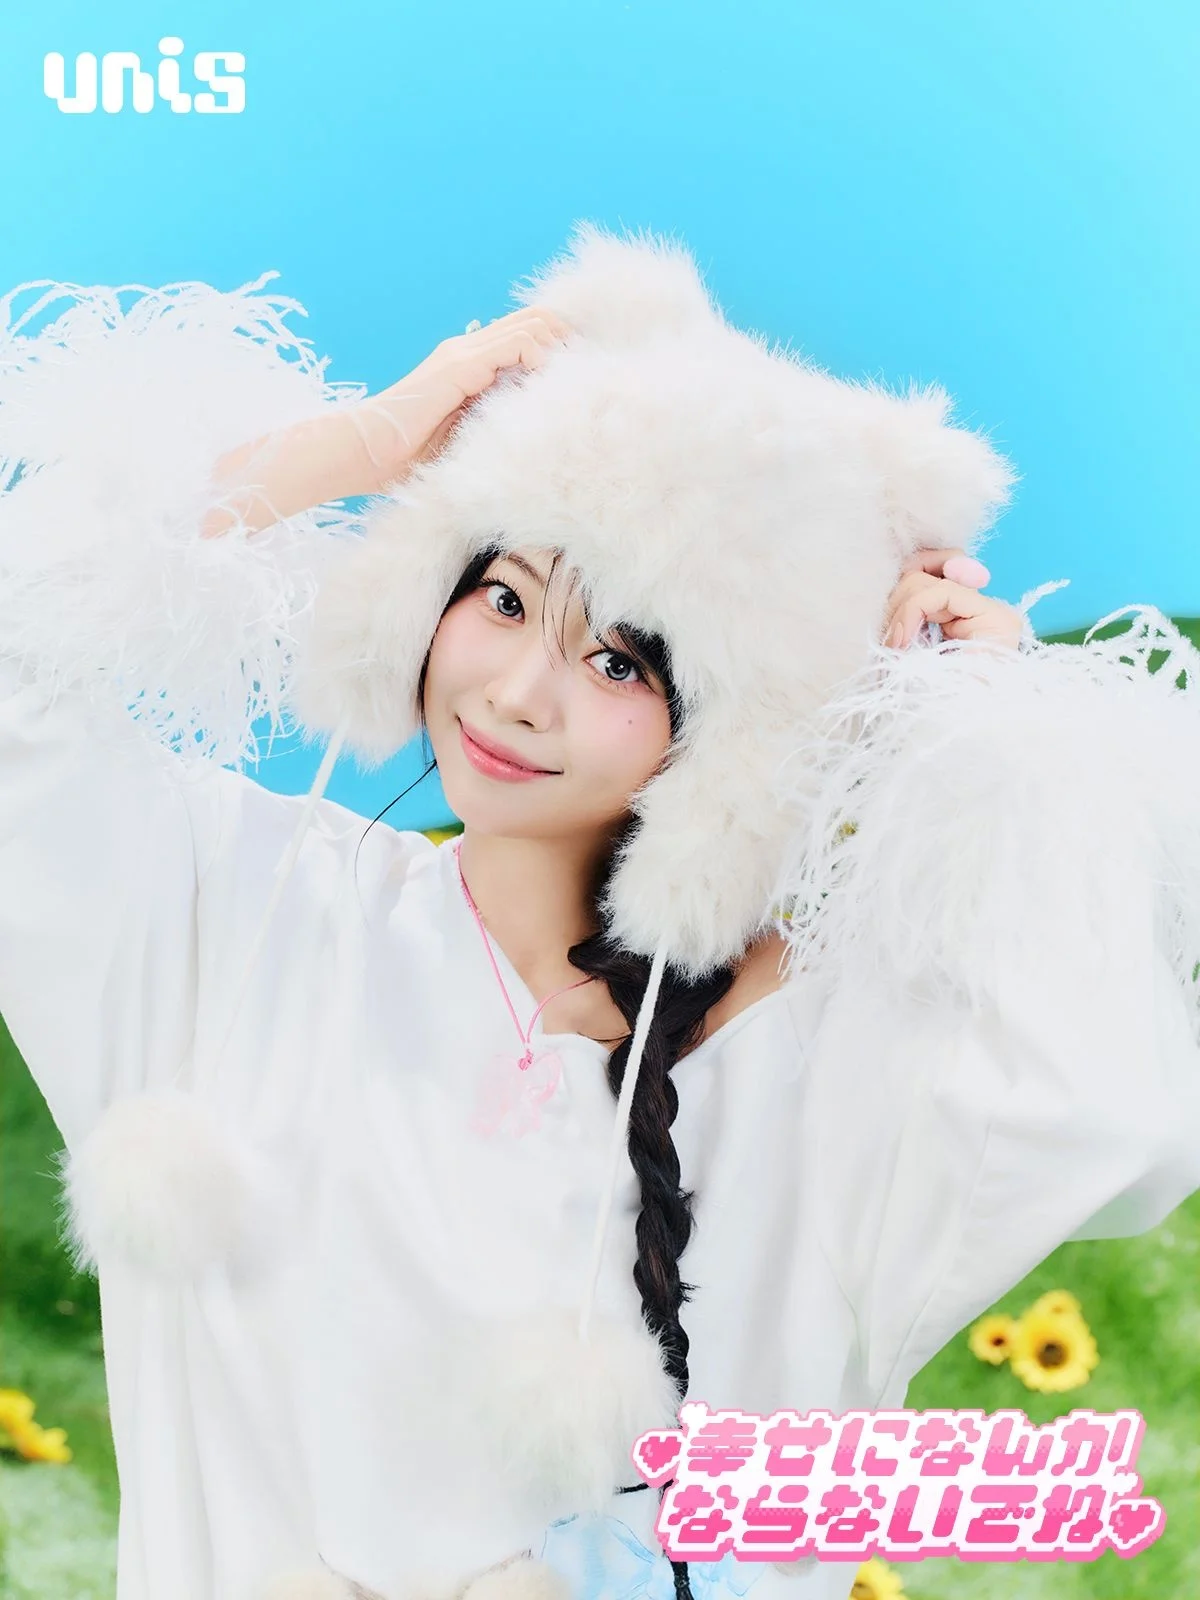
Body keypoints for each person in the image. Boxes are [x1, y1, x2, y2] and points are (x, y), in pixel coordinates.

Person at [1, 220, 1198, 1600]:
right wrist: (358, 449)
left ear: (736, 735)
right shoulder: (243, 913)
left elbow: (1114, 1122)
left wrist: (1000, 738)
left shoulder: (820, 1053)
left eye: (620, 661)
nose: (518, 693)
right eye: (502, 597)